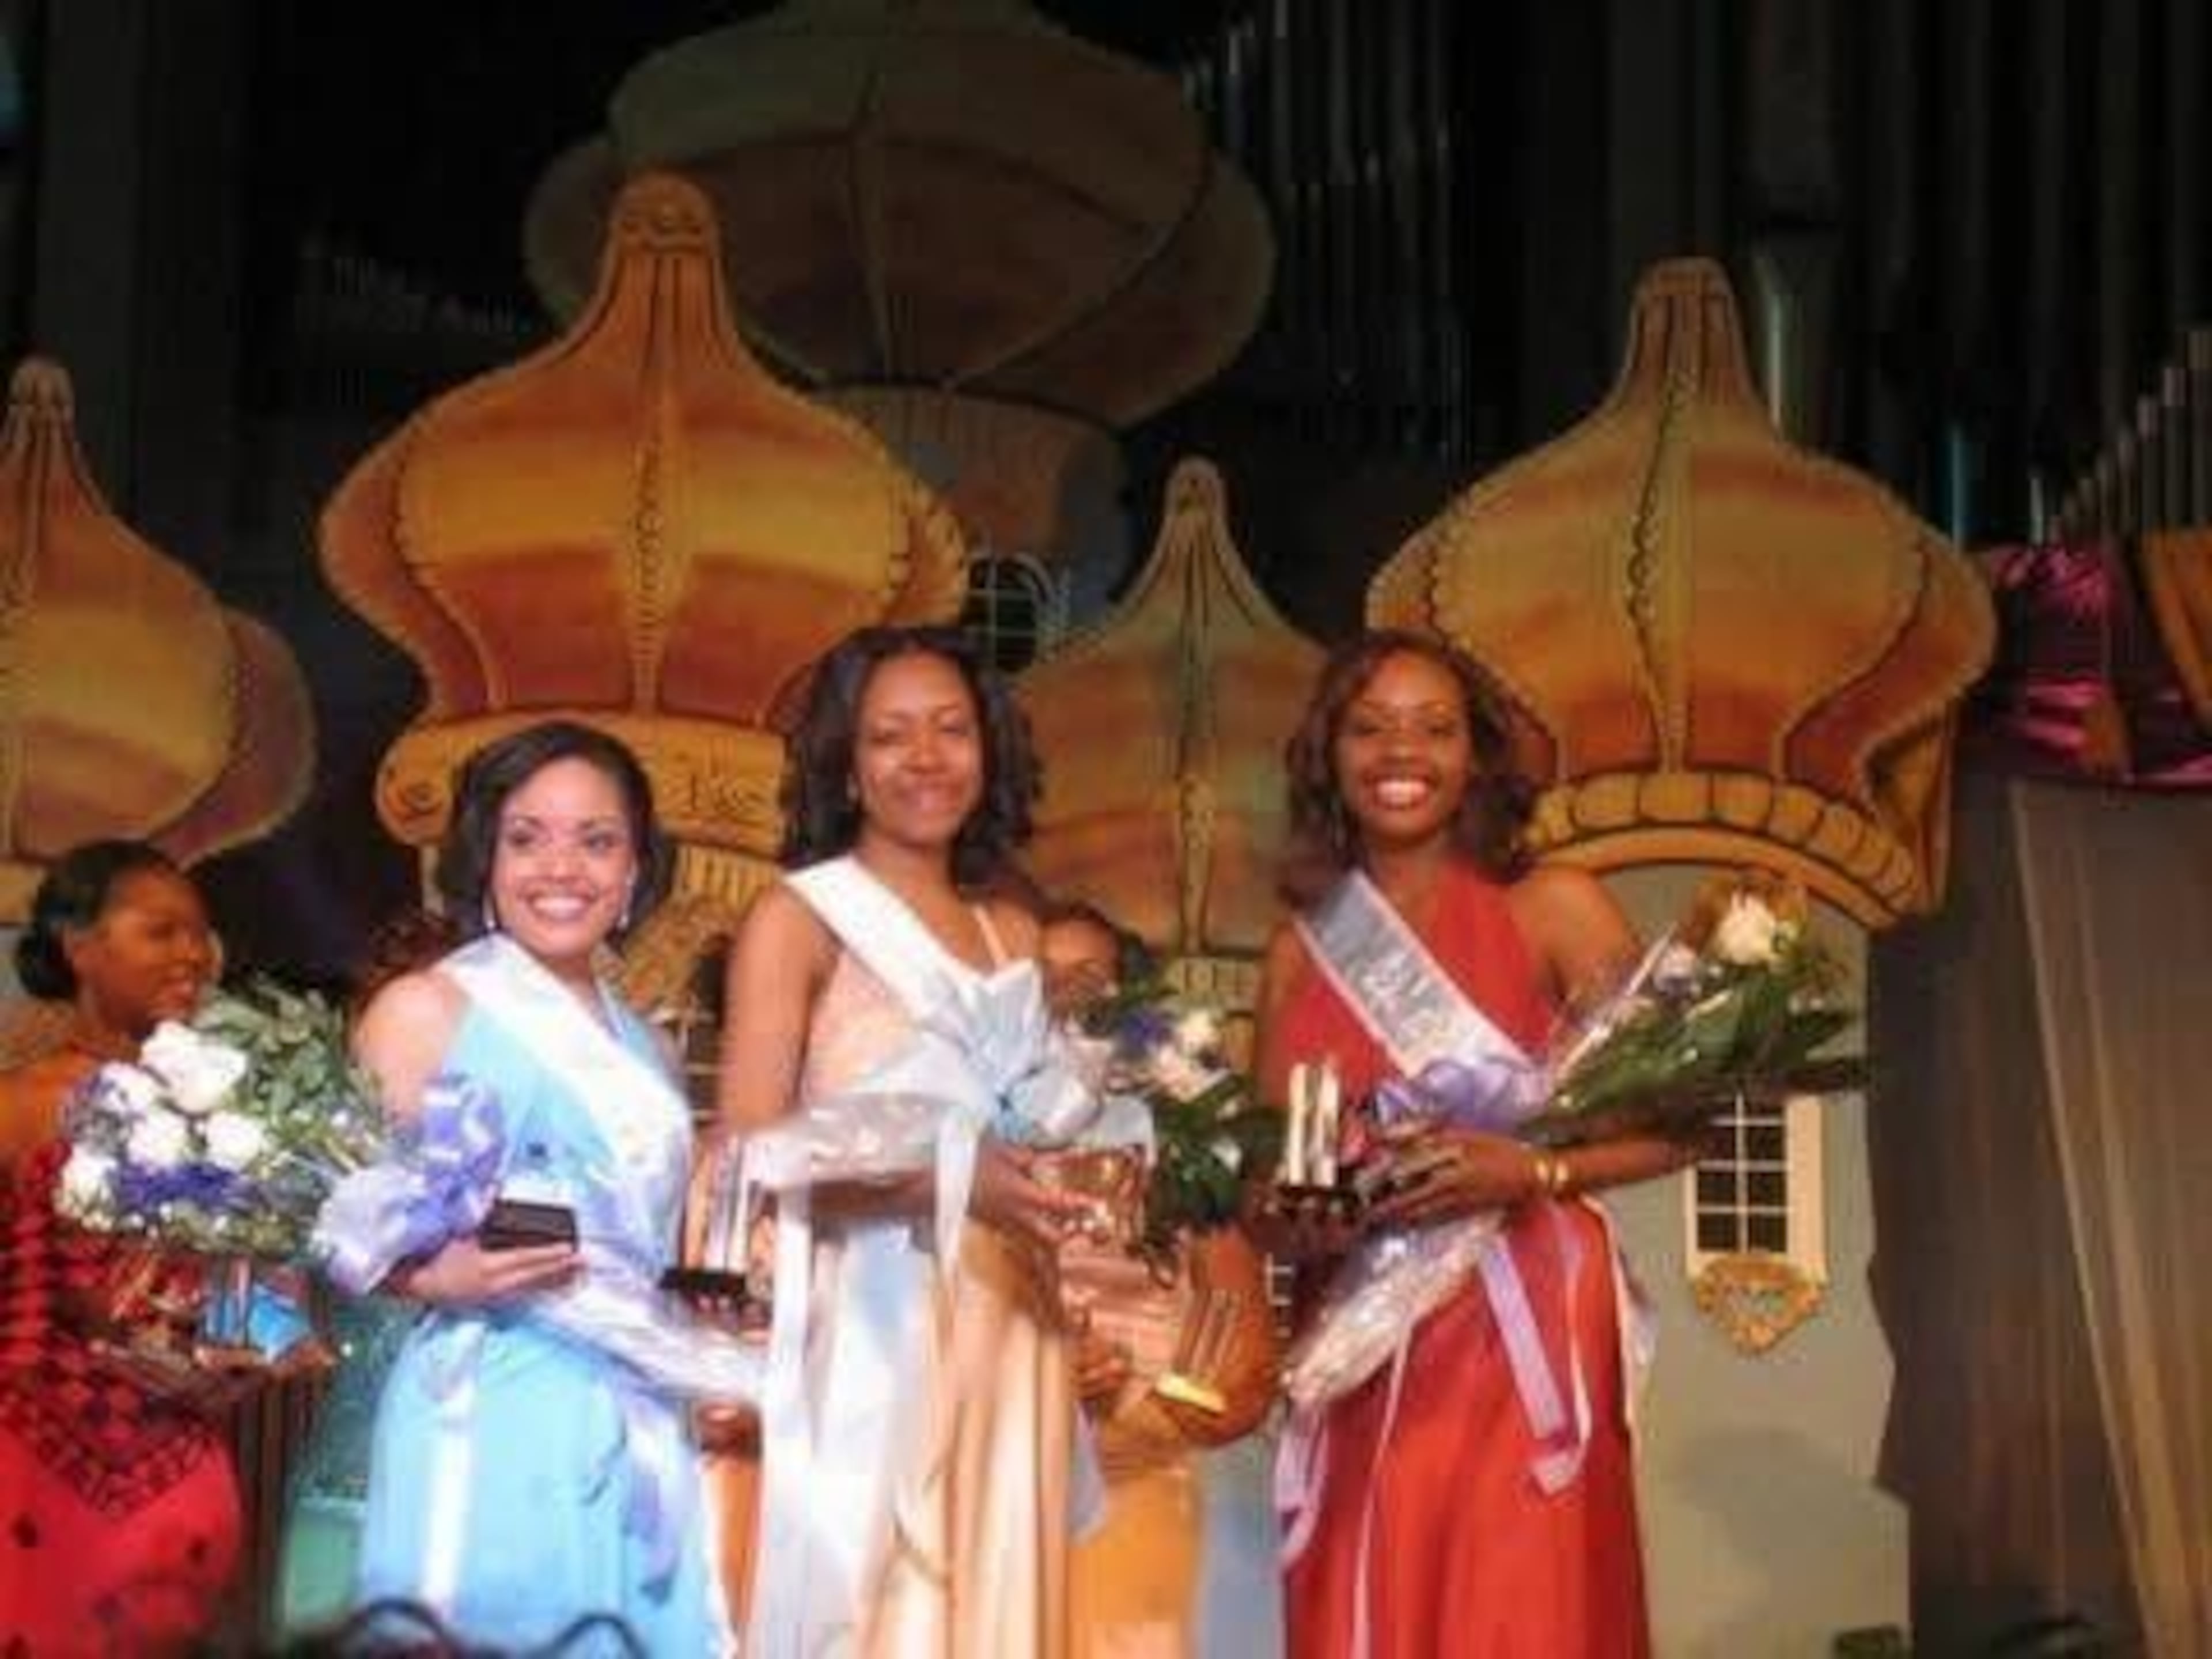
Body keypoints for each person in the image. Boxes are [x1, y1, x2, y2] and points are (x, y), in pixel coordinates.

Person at [1255, 631, 1698, 1658]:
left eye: (1434, 729)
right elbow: (1265, 1185)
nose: (1399, 753)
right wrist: (1290, 1215)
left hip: (1520, 1317)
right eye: (1368, 729)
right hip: (1359, 1323)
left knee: (1514, 1600)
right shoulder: (1298, 947)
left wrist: (1532, 1169)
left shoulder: (1554, 907)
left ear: (1477, 756)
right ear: (1328, 755)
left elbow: (1683, 1121)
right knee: (1367, 1585)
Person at [715, 624, 1097, 1656]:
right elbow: (749, 1161)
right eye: (891, 737)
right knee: (879, 1604)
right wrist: (949, 1182)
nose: (926, 760)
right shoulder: (800, 918)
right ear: (846, 761)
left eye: (952, 731)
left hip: (1009, 1314)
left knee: (998, 1596)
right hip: (871, 1323)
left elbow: (1026, 1118)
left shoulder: (1009, 930)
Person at [342, 721, 741, 1652]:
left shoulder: (644, 1043)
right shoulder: (426, 1010)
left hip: (634, 1414)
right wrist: (435, 1278)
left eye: (597, 841)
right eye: (528, 838)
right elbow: (333, 1225)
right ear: (485, 856)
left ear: (637, 868)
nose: (562, 868)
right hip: (486, 1407)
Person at [0, 841, 243, 1653]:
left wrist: (244, 1350)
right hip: (31, 1463)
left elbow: (253, 1288)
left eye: (201, 934)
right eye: (161, 931)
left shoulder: (224, 1120)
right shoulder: (21, 1105)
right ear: (79, 949)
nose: (192, 955)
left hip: (179, 1465)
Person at [1038, 902, 1286, 1659]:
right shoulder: (976, 1146)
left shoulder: (1183, 1144)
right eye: (1041, 982)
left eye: (1090, 980)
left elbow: (1243, 1356)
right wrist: (1040, 1388)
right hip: (1014, 1460)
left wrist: (1140, 1424)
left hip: (1157, 1458)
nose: (1068, 1002)